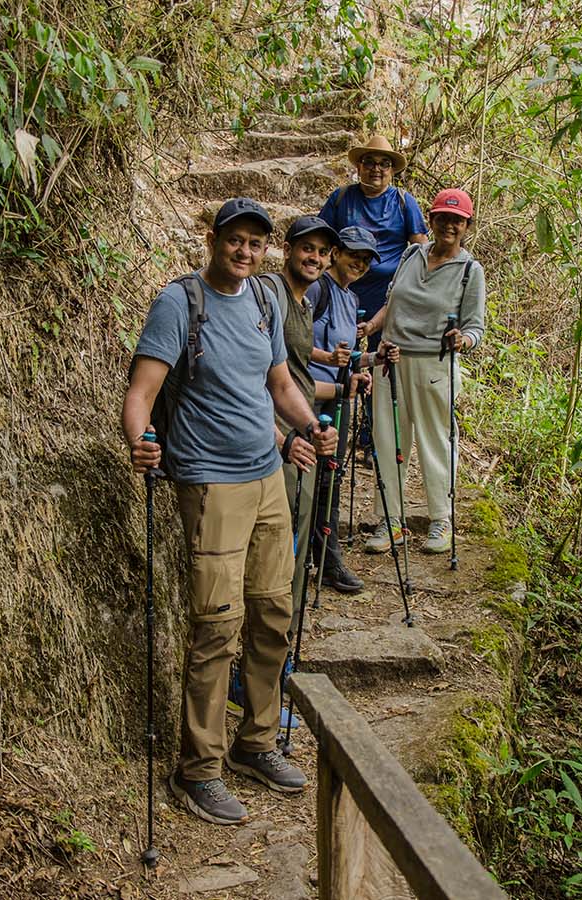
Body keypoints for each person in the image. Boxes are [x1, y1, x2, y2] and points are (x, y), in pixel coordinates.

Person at [123, 197, 336, 826]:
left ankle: (257, 743)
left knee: (273, 614)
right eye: (235, 240)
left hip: (267, 478)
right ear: (213, 239)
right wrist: (139, 442)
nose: (245, 252)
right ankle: (201, 769)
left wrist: (308, 427)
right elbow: (142, 391)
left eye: (256, 243)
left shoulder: (266, 302)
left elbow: (278, 385)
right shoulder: (179, 303)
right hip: (210, 485)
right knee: (216, 626)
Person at [360, 188, 484, 556]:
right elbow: (391, 302)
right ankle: (391, 521)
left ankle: (440, 519)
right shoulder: (412, 255)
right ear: (431, 220)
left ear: (466, 226)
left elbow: (476, 327)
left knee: (436, 443)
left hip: (435, 365)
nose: (449, 225)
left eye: (456, 220)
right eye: (442, 217)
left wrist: (464, 340)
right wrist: (372, 328)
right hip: (391, 363)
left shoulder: (469, 271)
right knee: (387, 441)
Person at [317, 136, 428, 458]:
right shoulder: (341, 199)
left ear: (392, 170)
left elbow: (420, 249)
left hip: (388, 296)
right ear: (359, 166)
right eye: (370, 162)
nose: (376, 169)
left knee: (382, 365)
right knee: (341, 359)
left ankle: (371, 438)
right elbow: (321, 238)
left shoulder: (404, 202)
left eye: (384, 163)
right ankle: (330, 426)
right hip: (344, 291)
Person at [255, 216, 341, 627]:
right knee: (280, 538)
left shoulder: (305, 303)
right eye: (308, 248)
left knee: (300, 532)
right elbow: (268, 374)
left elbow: (299, 377)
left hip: (302, 432)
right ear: (286, 250)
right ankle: (267, 641)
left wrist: (341, 391)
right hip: (277, 434)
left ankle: (284, 636)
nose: (316, 258)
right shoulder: (270, 293)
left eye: (324, 252)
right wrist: (280, 434)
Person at [305, 226, 379, 593]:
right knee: (308, 479)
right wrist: (327, 358)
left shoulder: (350, 299)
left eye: (366, 260)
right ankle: (305, 555)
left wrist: (372, 361)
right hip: (309, 397)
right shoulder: (316, 289)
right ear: (336, 252)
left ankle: (327, 558)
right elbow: (291, 343)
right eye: (355, 256)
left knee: (331, 478)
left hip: (339, 396)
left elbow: (346, 357)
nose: (360, 264)